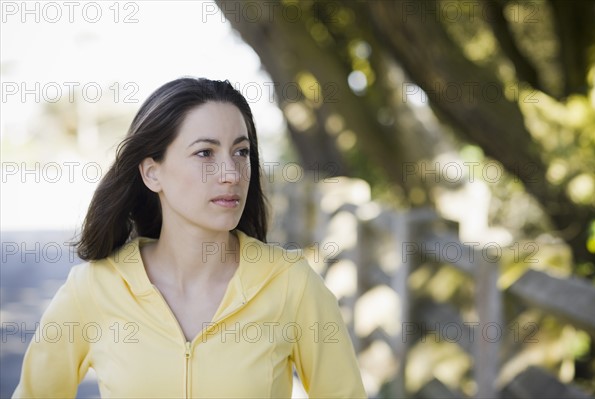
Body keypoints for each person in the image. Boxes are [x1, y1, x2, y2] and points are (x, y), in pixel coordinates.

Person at [13, 77, 367, 398]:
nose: (230, 173)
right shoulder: (93, 288)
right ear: (153, 173)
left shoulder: (292, 284)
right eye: (205, 153)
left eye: (241, 152)